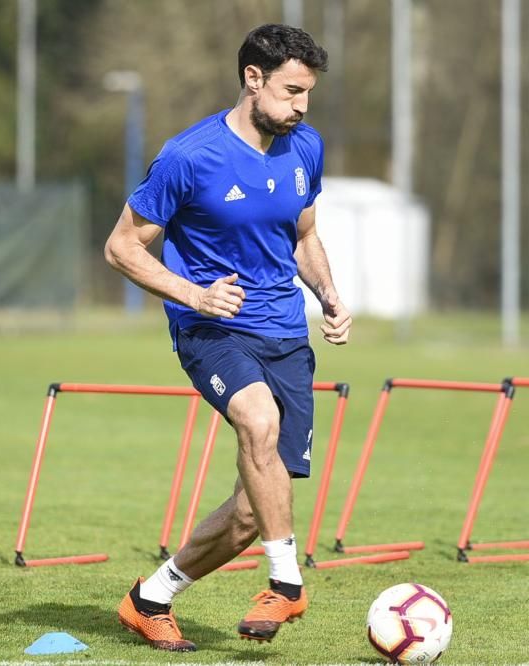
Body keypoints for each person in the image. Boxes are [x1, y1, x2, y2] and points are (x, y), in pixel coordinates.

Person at [104, 24, 351, 650]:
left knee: (250, 513)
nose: (301, 106)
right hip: (213, 329)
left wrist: (328, 294)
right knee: (258, 423)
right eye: (292, 91)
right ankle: (289, 584)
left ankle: (150, 597)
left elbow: (303, 235)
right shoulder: (189, 157)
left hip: (286, 334)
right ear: (252, 78)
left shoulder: (305, 146)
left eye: (308, 94)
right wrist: (194, 294)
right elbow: (121, 247)